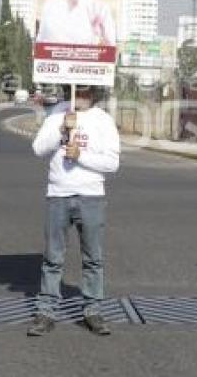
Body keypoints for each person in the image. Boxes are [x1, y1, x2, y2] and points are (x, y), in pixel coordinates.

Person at [28, 85, 120, 336]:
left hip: (91, 196)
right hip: (58, 194)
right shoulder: (57, 114)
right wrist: (61, 131)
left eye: (85, 90)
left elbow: (112, 163)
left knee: (93, 258)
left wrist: (80, 155)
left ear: (94, 93)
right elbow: (38, 149)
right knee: (53, 258)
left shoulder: (104, 121)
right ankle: (46, 312)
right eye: (76, 88)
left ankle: (93, 311)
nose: (80, 93)